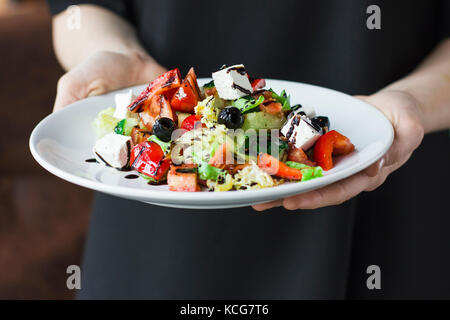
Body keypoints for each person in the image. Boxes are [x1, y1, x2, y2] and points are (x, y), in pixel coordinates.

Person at [47, 0, 450, 299]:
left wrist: (413, 99)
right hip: (153, 215)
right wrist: (118, 54)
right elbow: (77, 11)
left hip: (385, 202)